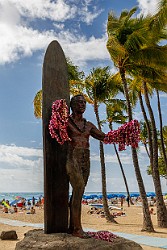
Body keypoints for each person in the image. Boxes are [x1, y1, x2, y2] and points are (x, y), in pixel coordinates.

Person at [66, 94, 105, 238]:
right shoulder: (66, 122)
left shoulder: (88, 125)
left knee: (78, 193)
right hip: (72, 157)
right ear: (72, 105)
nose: (82, 104)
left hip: (85, 158)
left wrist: (122, 134)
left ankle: (72, 227)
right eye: (79, 102)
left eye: (84, 102)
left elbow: (103, 136)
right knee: (79, 187)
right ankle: (77, 229)